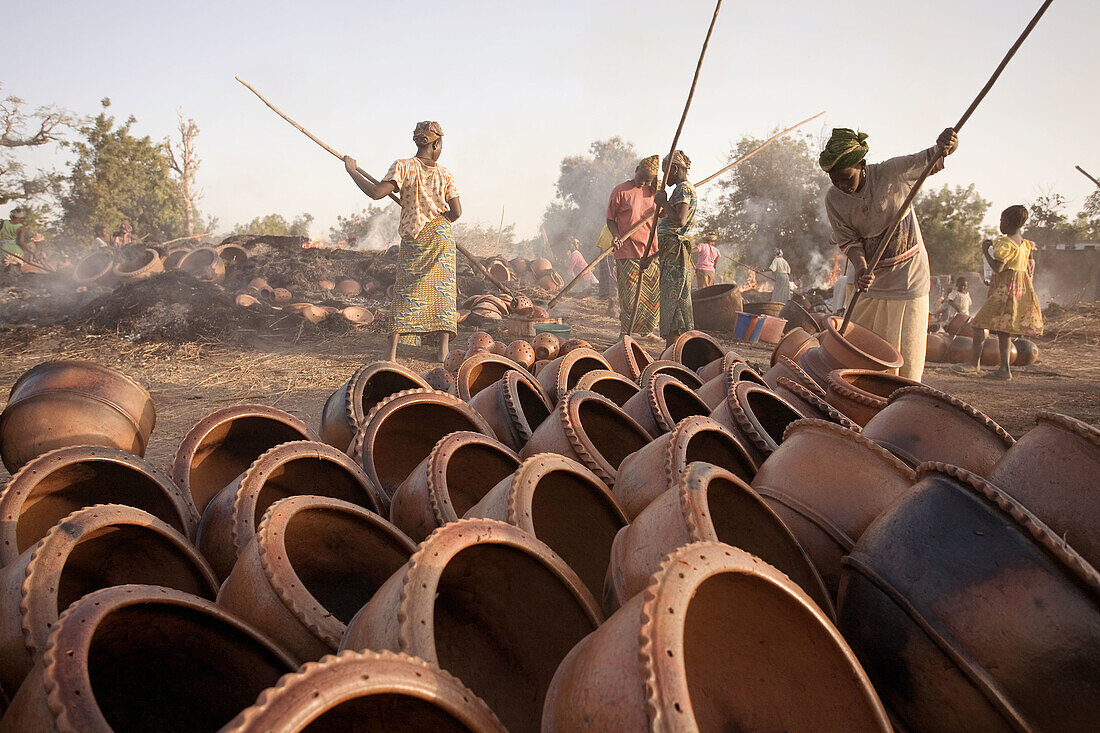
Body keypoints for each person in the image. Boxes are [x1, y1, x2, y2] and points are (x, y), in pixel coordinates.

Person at [821, 126, 959, 381]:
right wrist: (861, 268)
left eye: (846, 178)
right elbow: (849, 240)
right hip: (870, 282)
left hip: (908, 277)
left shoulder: (891, 172)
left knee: (906, 351)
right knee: (859, 344)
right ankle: (858, 391)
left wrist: (947, 144)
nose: (842, 185)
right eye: (835, 179)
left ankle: (899, 396)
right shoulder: (834, 199)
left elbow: (933, 157)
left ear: (861, 164)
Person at [343, 121, 461, 362]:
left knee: (407, 291)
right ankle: (443, 351)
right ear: (436, 144)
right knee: (443, 293)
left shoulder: (403, 167)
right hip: (440, 237)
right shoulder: (445, 174)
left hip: (415, 237)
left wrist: (352, 171)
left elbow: (377, 192)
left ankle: (391, 353)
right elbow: (457, 212)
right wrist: (439, 219)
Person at [953, 205, 1043, 380]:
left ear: (1007, 221)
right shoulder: (1025, 245)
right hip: (1016, 292)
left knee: (978, 324)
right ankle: (1005, 370)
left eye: (1001, 220)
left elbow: (998, 267)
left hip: (1003, 293)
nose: (1000, 223)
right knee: (1004, 331)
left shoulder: (1005, 243)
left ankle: (974, 364)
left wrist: (986, 251)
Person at [607, 155, 660, 337]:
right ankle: (625, 332)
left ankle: (646, 332)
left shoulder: (654, 193)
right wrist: (615, 235)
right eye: (641, 178)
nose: (643, 182)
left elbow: (662, 216)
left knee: (651, 295)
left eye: (648, 180)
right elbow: (610, 219)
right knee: (629, 296)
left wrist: (663, 201)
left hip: (650, 250)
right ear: (636, 169)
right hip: (626, 249)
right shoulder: (621, 191)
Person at [655, 150, 697, 345]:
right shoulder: (681, 189)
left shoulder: (682, 189)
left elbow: (679, 220)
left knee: (674, 302)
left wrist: (663, 201)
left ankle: (673, 350)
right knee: (674, 301)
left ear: (676, 168)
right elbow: (671, 218)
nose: (665, 177)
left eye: (666, 172)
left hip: (675, 254)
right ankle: (673, 349)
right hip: (671, 252)